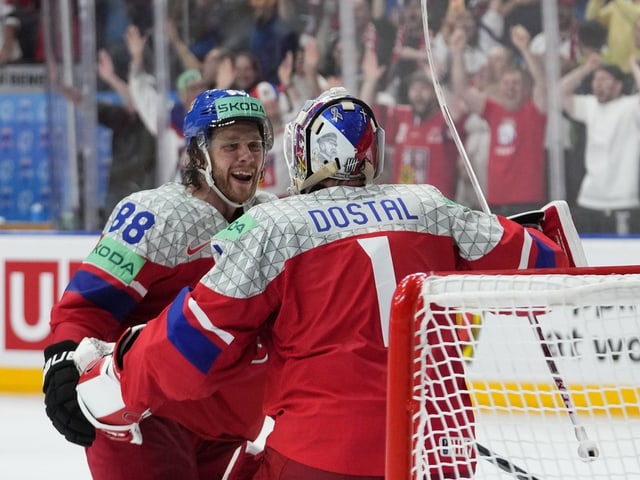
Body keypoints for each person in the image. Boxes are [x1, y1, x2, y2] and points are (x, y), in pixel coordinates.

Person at [71, 88, 575, 479]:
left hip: (322, 453)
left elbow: (194, 340)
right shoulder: (432, 205)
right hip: (438, 447)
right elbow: (550, 267)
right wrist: (540, 231)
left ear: (307, 152)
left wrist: (117, 379)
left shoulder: (277, 225)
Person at [42, 89, 276, 480]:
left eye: (255, 144)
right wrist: (62, 364)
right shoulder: (154, 215)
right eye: (230, 145)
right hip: (146, 422)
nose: (247, 156)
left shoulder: (272, 218)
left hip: (228, 430)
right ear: (199, 154)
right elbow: (88, 306)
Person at [450, 23, 548, 216]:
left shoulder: (535, 110)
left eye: (516, 83)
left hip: (527, 201)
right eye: (506, 83)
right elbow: (462, 89)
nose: (510, 87)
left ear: (526, 89)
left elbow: (542, 84)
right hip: (494, 200)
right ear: (499, 87)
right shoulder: (494, 111)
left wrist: (524, 49)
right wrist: (457, 52)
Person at [559, 53, 640, 234]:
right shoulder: (590, 106)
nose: (598, 83)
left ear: (618, 85)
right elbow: (560, 93)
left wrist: (633, 65)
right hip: (589, 199)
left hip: (622, 201)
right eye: (596, 79)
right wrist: (586, 68)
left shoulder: (631, 107)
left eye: (604, 79)